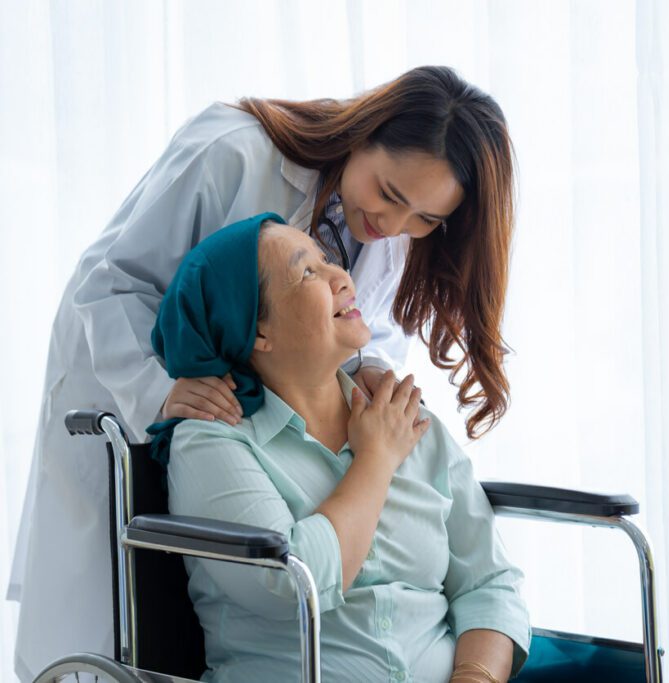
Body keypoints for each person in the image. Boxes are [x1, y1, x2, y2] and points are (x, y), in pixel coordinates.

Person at [8, 66, 516, 681]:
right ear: (365, 132)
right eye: (389, 193)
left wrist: (372, 374)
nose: (394, 226)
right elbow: (108, 285)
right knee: (120, 624)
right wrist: (158, 391)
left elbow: (491, 579)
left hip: (285, 431)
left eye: (425, 221)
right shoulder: (235, 151)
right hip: (160, 411)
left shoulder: (382, 235)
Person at [159, 214, 529, 682]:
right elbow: (290, 585)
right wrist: (375, 460)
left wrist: (474, 677)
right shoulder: (212, 439)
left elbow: (489, 582)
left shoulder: (405, 415)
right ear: (256, 331)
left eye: (327, 260)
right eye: (306, 272)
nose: (341, 277)